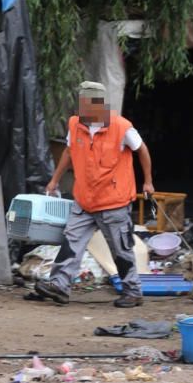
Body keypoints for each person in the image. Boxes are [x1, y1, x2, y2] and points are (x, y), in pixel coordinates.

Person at [35, 81, 154, 308]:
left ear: (100, 106)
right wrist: (54, 180)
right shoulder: (75, 124)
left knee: (121, 248)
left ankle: (133, 292)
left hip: (114, 201)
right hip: (85, 199)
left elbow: (142, 150)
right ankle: (59, 286)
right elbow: (69, 152)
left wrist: (148, 182)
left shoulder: (121, 127)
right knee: (72, 240)